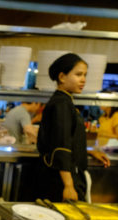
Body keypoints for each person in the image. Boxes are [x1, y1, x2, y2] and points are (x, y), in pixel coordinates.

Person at [37, 53, 110, 202]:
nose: (83, 79)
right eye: (78, 74)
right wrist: (69, 186)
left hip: (63, 178)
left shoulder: (64, 101)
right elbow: (61, 146)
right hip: (62, 181)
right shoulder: (61, 104)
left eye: (85, 75)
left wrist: (88, 152)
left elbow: (69, 140)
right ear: (62, 77)